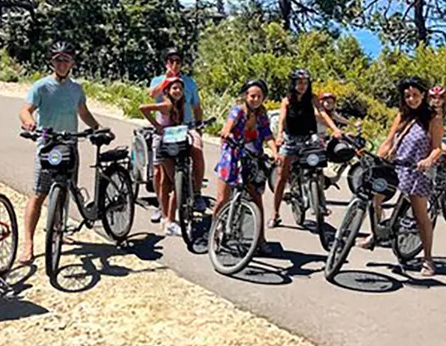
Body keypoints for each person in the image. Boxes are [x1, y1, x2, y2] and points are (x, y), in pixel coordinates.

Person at [17, 41, 102, 264]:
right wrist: (29, 123)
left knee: (65, 189)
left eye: (65, 59)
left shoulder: (76, 89)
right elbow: (26, 110)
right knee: (38, 193)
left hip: (70, 144)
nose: (61, 63)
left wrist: (97, 129)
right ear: (51, 62)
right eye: (57, 59)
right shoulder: (41, 86)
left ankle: (59, 231)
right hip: (47, 144)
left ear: (72, 63)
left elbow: (83, 112)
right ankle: (28, 244)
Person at [357, 77, 443, 278]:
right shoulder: (402, 116)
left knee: (420, 214)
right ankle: (375, 234)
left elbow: (437, 149)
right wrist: (377, 158)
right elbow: (388, 141)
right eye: (407, 96)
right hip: (396, 166)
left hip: (417, 170)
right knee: (376, 196)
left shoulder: (433, 119)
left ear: (423, 95)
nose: (411, 99)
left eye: (415, 95)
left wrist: (428, 160)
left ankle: (428, 259)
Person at [216, 79, 280, 254]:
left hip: (252, 156)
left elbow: (267, 134)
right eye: (252, 96)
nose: (256, 99)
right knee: (222, 198)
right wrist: (226, 132)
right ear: (246, 96)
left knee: (257, 199)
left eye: (259, 96)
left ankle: (260, 239)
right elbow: (228, 125)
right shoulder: (238, 111)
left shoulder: (262, 114)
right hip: (233, 152)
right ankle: (215, 232)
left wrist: (274, 151)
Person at [272, 69, 343, 227]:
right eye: (299, 82)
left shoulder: (312, 98)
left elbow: (323, 113)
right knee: (282, 177)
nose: (302, 86)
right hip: (290, 139)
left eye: (305, 82)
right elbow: (282, 119)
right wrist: (279, 136)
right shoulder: (287, 100)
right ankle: (275, 214)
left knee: (317, 170)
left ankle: (320, 205)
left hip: (308, 139)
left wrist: (335, 129)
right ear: (293, 83)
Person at [146, 48, 206, 222]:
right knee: (159, 171)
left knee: (197, 149)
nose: (174, 64)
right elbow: (152, 95)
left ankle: (197, 192)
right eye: (171, 61)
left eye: (178, 61)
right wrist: (168, 79)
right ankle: (161, 205)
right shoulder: (158, 80)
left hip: (186, 126)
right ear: (166, 63)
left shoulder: (190, 83)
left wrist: (199, 128)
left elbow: (196, 107)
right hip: (164, 130)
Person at [137, 76, 188, 236]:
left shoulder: (179, 105)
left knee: (167, 182)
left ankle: (167, 216)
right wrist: (157, 126)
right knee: (176, 183)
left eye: (180, 88)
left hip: (172, 144)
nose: (178, 91)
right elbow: (143, 107)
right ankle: (170, 220)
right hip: (164, 145)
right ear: (167, 90)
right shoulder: (167, 104)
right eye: (174, 88)